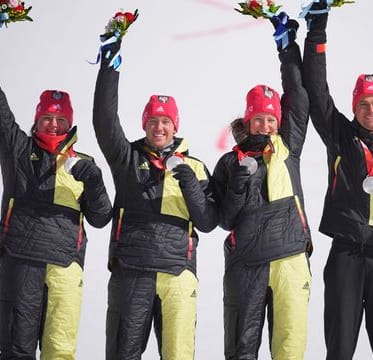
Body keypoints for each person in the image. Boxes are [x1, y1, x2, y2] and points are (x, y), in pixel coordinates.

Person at [92, 33, 218, 359]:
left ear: (175, 125)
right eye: (153, 121)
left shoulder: (196, 166)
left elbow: (206, 222)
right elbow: (104, 121)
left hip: (178, 274)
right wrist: (110, 64)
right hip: (131, 272)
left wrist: (189, 182)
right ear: (144, 124)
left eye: (165, 121)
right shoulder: (127, 158)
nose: (159, 127)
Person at [301, 2, 373, 359]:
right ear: (354, 108)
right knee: (340, 350)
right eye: (363, 104)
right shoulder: (340, 136)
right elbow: (316, 92)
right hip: (346, 254)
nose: (370, 110)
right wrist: (317, 31)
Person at [212, 12, 312, 360]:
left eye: (272, 118)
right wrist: (239, 181)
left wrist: (286, 47)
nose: (267, 124)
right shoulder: (229, 163)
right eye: (260, 118)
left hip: (290, 259)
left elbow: (297, 94)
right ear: (248, 120)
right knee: (242, 350)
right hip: (247, 264)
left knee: (289, 347)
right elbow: (224, 220)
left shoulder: (288, 147)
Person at [0, 88, 112, 359]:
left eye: (60, 119)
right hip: (20, 262)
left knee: (60, 351)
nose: (53, 124)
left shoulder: (83, 164)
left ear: (69, 124)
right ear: (37, 121)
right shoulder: (18, 149)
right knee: (16, 350)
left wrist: (95, 182)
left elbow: (101, 218)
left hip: (65, 268)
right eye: (47, 117)